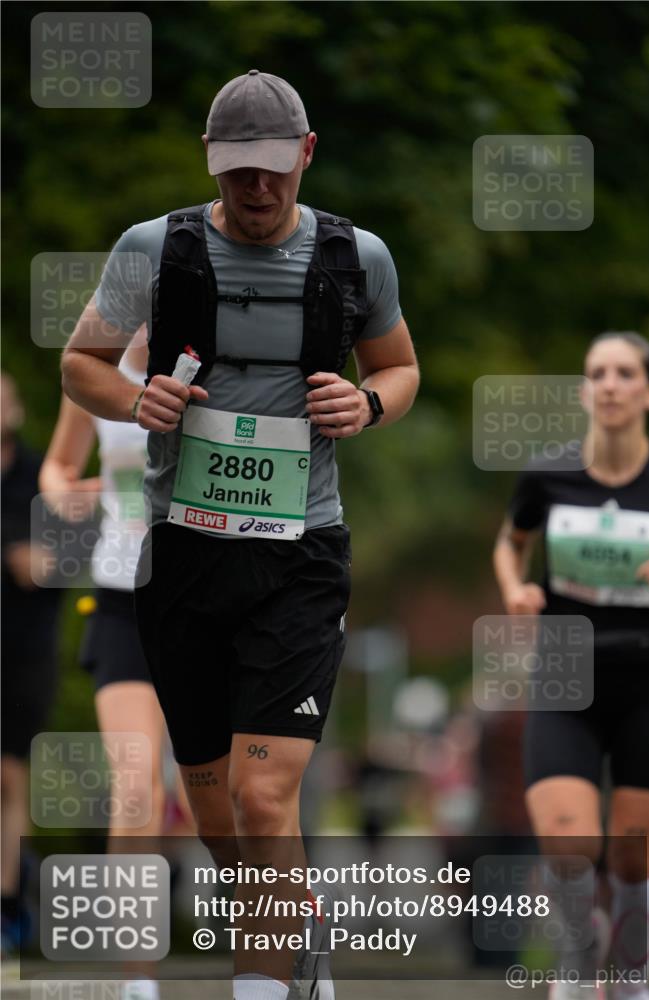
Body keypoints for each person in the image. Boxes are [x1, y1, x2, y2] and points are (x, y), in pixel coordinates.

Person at [60, 70, 419, 1000]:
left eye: (273, 168)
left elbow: (400, 367)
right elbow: (80, 364)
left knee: (265, 800)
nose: (256, 187)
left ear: (306, 155)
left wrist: (369, 403)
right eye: (236, 170)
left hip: (300, 556)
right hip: (183, 556)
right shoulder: (153, 248)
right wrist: (135, 400)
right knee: (221, 822)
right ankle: (300, 931)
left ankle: (264, 984)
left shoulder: (357, 257)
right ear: (210, 162)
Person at [493, 332, 649, 1000]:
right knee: (568, 842)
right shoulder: (549, 475)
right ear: (584, 392)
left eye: (625, 373)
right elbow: (511, 543)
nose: (610, 384)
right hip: (566, 665)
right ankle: (576, 965)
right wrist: (516, 588)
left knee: (633, 855)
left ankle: (628, 981)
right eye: (598, 373)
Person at [40, 330, 192, 1000]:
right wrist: (64, 493)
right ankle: (137, 977)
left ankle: (274, 955)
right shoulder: (93, 372)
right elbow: (57, 467)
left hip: (203, 608)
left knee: (224, 801)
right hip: (120, 601)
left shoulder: (213, 362)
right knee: (135, 792)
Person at [1, 373, 62, 955]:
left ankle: (8, 904)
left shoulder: (43, 475)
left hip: (24, 649)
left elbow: (76, 550)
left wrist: (47, 562)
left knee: (8, 775)